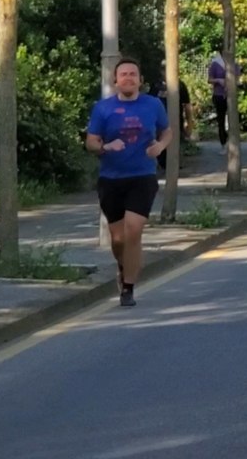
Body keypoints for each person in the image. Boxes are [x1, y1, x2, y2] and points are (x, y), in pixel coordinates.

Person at [86, 58, 171, 307]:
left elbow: (167, 131)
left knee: (133, 230)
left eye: (133, 74)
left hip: (142, 176)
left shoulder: (153, 105)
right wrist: (105, 147)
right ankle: (124, 266)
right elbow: (91, 142)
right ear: (115, 80)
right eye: (123, 74)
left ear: (140, 80)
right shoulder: (103, 108)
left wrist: (160, 146)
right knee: (119, 239)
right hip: (111, 179)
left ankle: (128, 288)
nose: (128, 78)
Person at [147, 60, 191, 170]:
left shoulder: (180, 85)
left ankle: (172, 165)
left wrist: (189, 123)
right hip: (158, 124)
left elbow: (187, 105)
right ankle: (162, 165)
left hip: (176, 121)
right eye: (164, 69)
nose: (165, 72)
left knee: (174, 144)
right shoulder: (156, 86)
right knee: (160, 146)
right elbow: (149, 105)